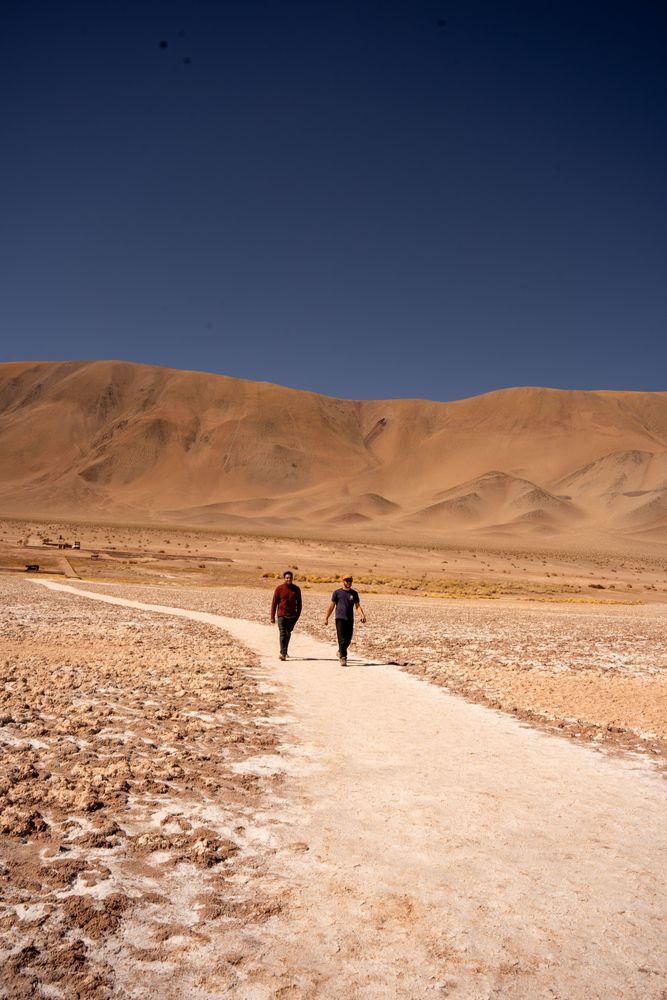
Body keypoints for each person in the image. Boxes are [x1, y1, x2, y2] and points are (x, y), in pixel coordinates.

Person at [324, 574, 366, 666]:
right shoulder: (337, 593)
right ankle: (343, 657)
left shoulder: (354, 593)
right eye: (346, 580)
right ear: (343, 581)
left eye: (350, 581)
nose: (348, 582)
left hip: (349, 619)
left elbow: (357, 606)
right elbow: (331, 606)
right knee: (341, 638)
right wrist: (326, 617)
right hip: (339, 618)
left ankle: (340, 651)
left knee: (348, 639)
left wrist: (362, 615)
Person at [270, 570, 302, 661]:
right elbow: (274, 603)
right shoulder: (279, 589)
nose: (289, 579)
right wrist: (272, 616)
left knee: (288, 634)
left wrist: (297, 616)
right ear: (284, 578)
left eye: (290, 577)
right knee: (283, 634)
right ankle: (282, 653)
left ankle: (285, 650)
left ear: (292, 578)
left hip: (292, 616)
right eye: (287, 578)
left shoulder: (296, 589)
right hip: (281, 615)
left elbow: (299, 604)